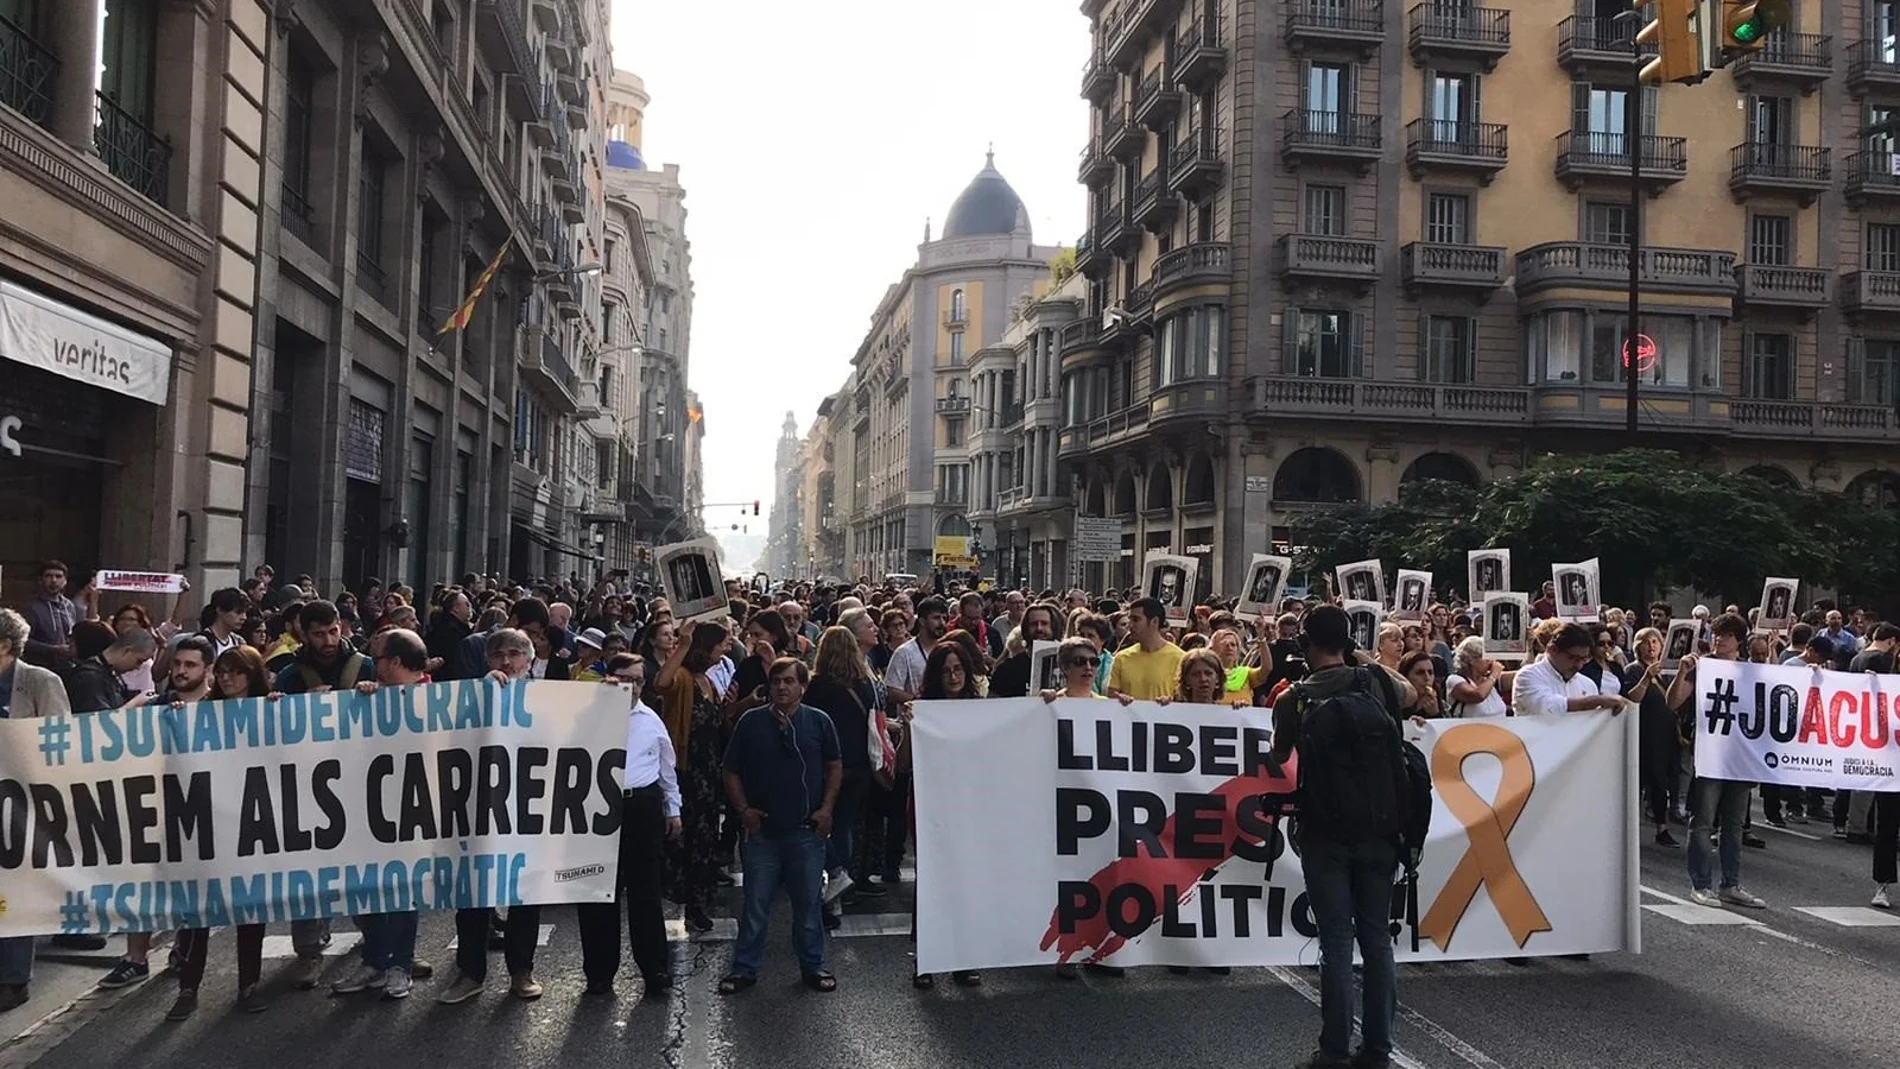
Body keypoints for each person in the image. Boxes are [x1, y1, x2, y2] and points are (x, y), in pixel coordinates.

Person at [1269, 606, 1408, 1069]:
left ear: (1305, 644)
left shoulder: (1294, 698)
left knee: (1336, 940)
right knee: (1376, 939)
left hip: (1325, 831)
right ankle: (1379, 1050)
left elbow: (1279, 756)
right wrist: (1364, 657)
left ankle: (1332, 1051)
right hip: (1381, 828)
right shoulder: (1376, 682)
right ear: (1347, 641)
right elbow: (1413, 694)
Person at [718, 658, 842, 996]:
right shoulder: (751, 722)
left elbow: (834, 766)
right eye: (776, 682)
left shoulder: (819, 722)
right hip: (763, 833)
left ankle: (813, 965)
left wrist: (827, 809)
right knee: (756, 904)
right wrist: (744, 810)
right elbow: (730, 770)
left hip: (805, 831)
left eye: (789, 681)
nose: (782, 688)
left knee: (808, 905)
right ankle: (744, 969)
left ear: (802, 686)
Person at [440, 629, 552, 1004]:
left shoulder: (551, 698)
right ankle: (470, 973)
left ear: (530, 660)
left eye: (516, 654)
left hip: (527, 810)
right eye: (499, 655)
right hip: (478, 811)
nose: (507, 661)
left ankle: (522, 971)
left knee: (525, 894)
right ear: (488, 661)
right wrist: (480, 695)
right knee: (473, 894)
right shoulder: (471, 696)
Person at [167, 644, 274, 1019]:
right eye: (223, 671)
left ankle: (249, 984)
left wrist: (283, 709)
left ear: (253, 674)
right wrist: (180, 719)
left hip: (251, 824)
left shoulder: (272, 709)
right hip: (207, 824)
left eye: (236, 671)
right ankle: (187, 987)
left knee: (250, 909)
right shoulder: (202, 713)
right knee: (197, 909)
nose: (227, 678)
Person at [330, 629, 432, 1001]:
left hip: (410, 811)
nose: (373, 665)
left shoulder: (435, 699)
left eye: (379, 659)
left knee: (403, 892)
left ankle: (398, 966)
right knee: (368, 888)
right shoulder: (370, 697)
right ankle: (374, 960)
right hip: (366, 810)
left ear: (396, 662)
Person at [577, 653, 682, 997]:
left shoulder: (650, 719)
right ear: (609, 678)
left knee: (645, 893)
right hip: (596, 805)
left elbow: (667, 768)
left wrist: (673, 809)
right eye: (626, 679)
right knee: (596, 892)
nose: (633, 687)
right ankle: (599, 972)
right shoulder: (583, 714)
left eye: (639, 680)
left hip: (642, 806)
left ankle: (654, 969)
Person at [1674, 613, 1766, 910]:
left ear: (1739, 639)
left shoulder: (1751, 670)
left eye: (1726, 634)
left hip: (1739, 756)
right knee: (1702, 821)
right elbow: (1672, 703)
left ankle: (1730, 884)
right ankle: (1701, 884)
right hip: (1708, 753)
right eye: (1716, 633)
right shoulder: (1701, 667)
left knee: (1734, 823)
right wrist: (1681, 672)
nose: (1719, 638)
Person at [1510, 623, 1626, 718]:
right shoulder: (1527, 676)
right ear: (1553, 649)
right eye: (1573, 658)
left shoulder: (1588, 684)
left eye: (1584, 659)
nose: (1579, 666)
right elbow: (1546, 708)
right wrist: (1595, 701)